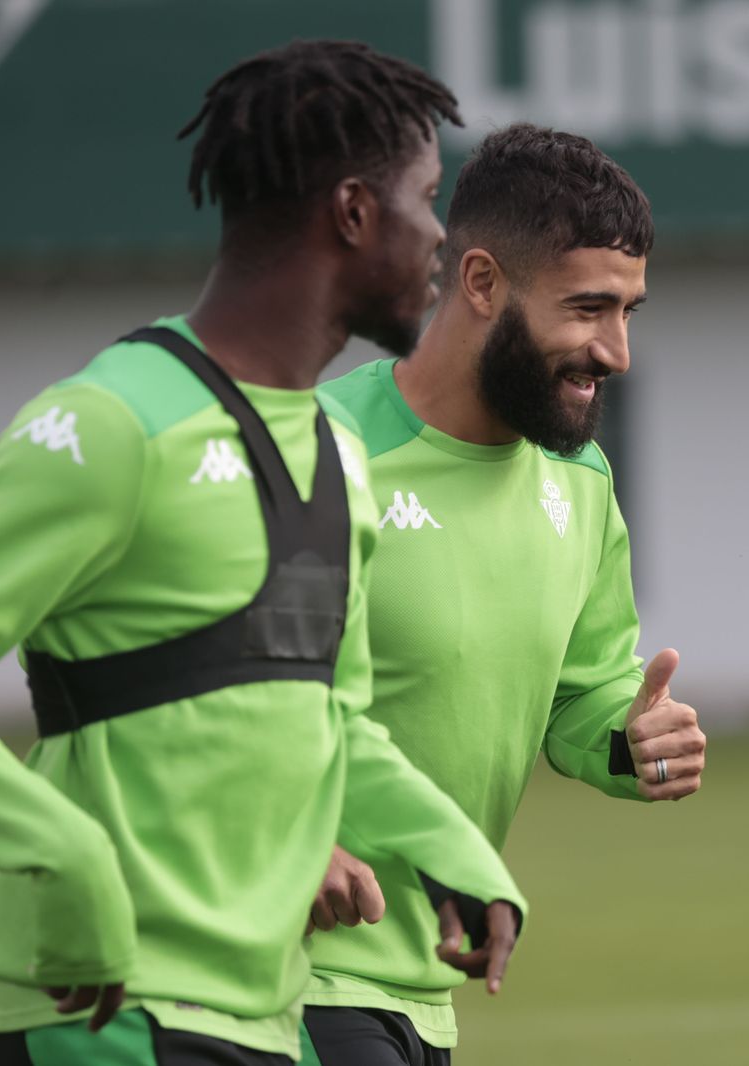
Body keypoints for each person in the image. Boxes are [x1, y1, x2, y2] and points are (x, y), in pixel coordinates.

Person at [0, 40, 526, 1066]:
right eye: (426, 197)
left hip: (265, 1009)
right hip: (107, 1012)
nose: (440, 235)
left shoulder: (336, 452)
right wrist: (64, 856)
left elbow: (333, 722)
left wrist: (452, 850)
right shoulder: (111, 424)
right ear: (352, 212)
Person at [298, 124, 708, 1066]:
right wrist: (286, 839)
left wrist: (630, 739)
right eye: (589, 308)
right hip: (287, 976)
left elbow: (581, 691)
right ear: (481, 283)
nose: (617, 351)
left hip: (431, 988)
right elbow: (188, 685)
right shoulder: (312, 454)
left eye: (631, 311)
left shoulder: (583, 484)